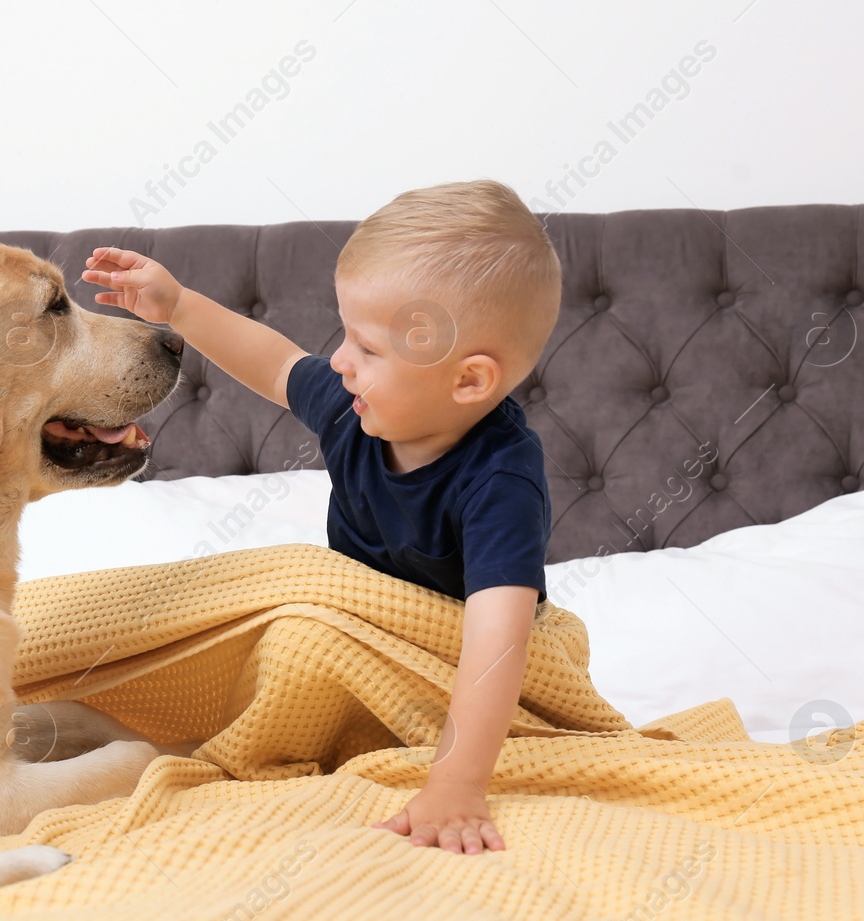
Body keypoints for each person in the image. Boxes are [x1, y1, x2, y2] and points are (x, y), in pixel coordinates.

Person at [81, 179, 562, 854]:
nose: (339, 360)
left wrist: (456, 784)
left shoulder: (500, 480)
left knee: (299, 639)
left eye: (367, 348)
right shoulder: (353, 406)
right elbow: (275, 361)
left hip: (461, 676)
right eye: (346, 336)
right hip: (362, 651)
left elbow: (497, 643)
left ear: (469, 382)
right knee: (267, 630)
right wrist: (178, 305)